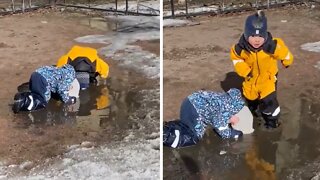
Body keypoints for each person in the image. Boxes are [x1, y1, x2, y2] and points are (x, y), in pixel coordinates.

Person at [230, 10, 293, 128]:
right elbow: (236, 59)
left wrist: (286, 60)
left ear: (265, 35)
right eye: (253, 36)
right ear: (246, 35)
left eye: (260, 36)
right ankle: (255, 110)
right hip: (251, 79)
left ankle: (272, 122)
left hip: (267, 79)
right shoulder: (240, 49)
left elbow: (285, 53)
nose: (257, 40)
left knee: (270, 103)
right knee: (250, 98)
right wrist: (244, 71)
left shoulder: (272, 46)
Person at [163, 88, 254, 148]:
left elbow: (214, 112)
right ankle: (166, 136)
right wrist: (237, 133)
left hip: (189, 101)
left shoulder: (223, 98)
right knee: (194, 137)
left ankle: (169, 127)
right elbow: (223, 132)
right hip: (195, 111)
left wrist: (229, 118)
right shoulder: (225, 110)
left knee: (186, 126)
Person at [12, 64, 80, 113]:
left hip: (36, 74)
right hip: (43, 79)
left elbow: (54, 84)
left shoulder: (59, 70)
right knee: (42, 102)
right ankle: (24, 101)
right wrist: (67, 99)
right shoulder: (70, 76)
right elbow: (62, 89)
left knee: (36, 94)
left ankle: (25, 96)